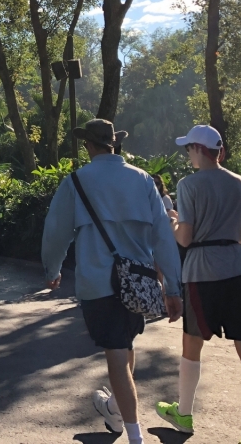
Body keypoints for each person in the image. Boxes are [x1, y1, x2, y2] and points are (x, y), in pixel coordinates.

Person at [41, 119, 183, 444]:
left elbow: (56, 231)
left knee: (117, 357)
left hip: (99, 284)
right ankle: (115, 409)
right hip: (137, 283)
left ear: (88, 145)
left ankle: (135, 437)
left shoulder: (76, 181)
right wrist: (173, 288)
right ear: (114, 144)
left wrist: (52, 270)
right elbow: (163, 237)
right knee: (125, 346)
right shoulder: (143, 180)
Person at [155, 125, 241, 444]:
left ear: (198, 149)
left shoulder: (188, 184)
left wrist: (173, 222)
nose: (187, 155)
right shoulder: (239, 182)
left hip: (201, 272)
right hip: (238, 268)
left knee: (192, 345)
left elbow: (186, 237)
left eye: (188, 149)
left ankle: (184, 413)